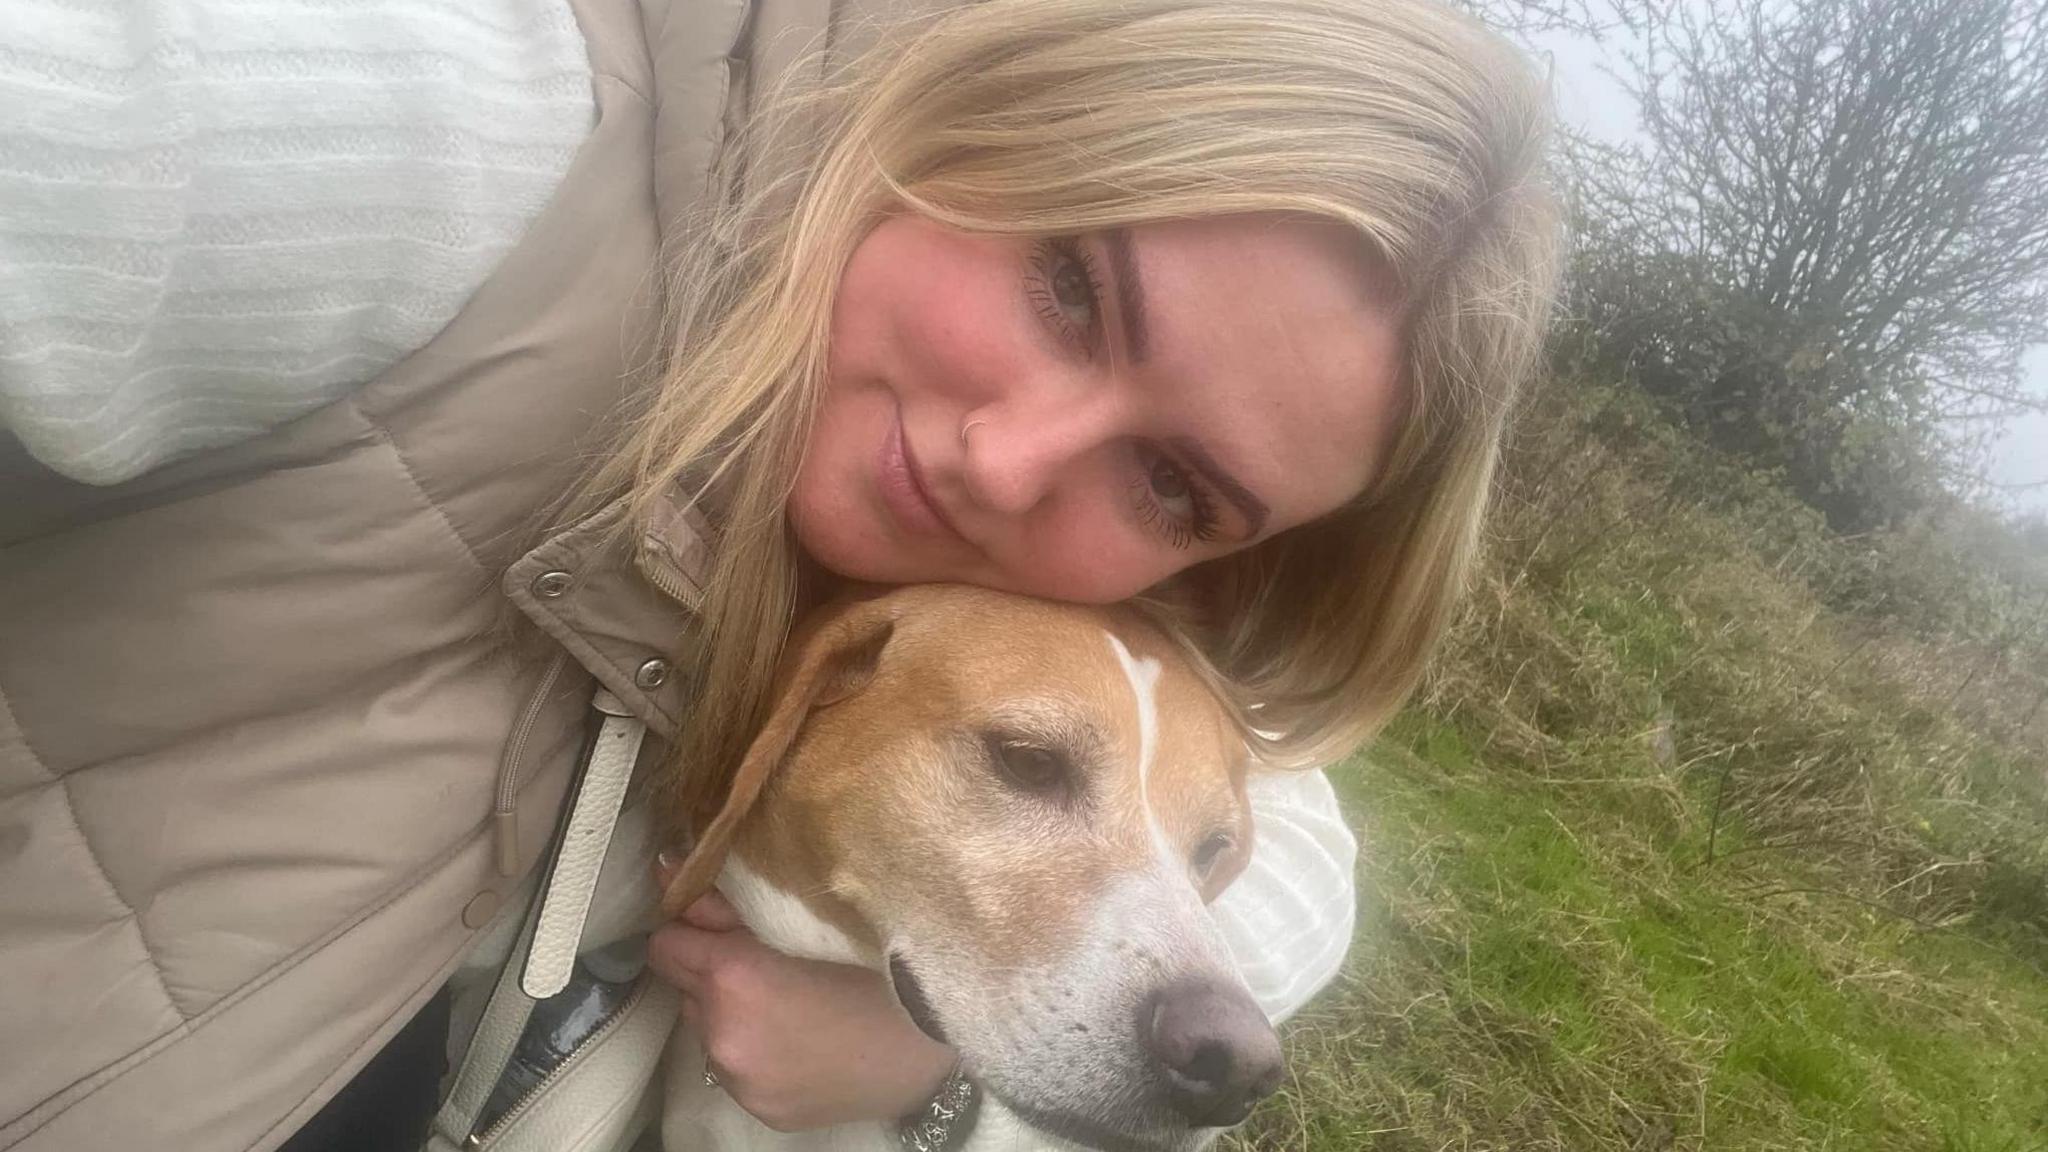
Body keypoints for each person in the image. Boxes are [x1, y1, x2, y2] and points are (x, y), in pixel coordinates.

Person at [0, 0, 1556, 1147]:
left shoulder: (1048, 602)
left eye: (1173, 482)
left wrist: (938, 1046)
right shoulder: (499, 132)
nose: (1005, 465)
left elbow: (1282, 842)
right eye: (1070, 286)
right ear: (990, 106)